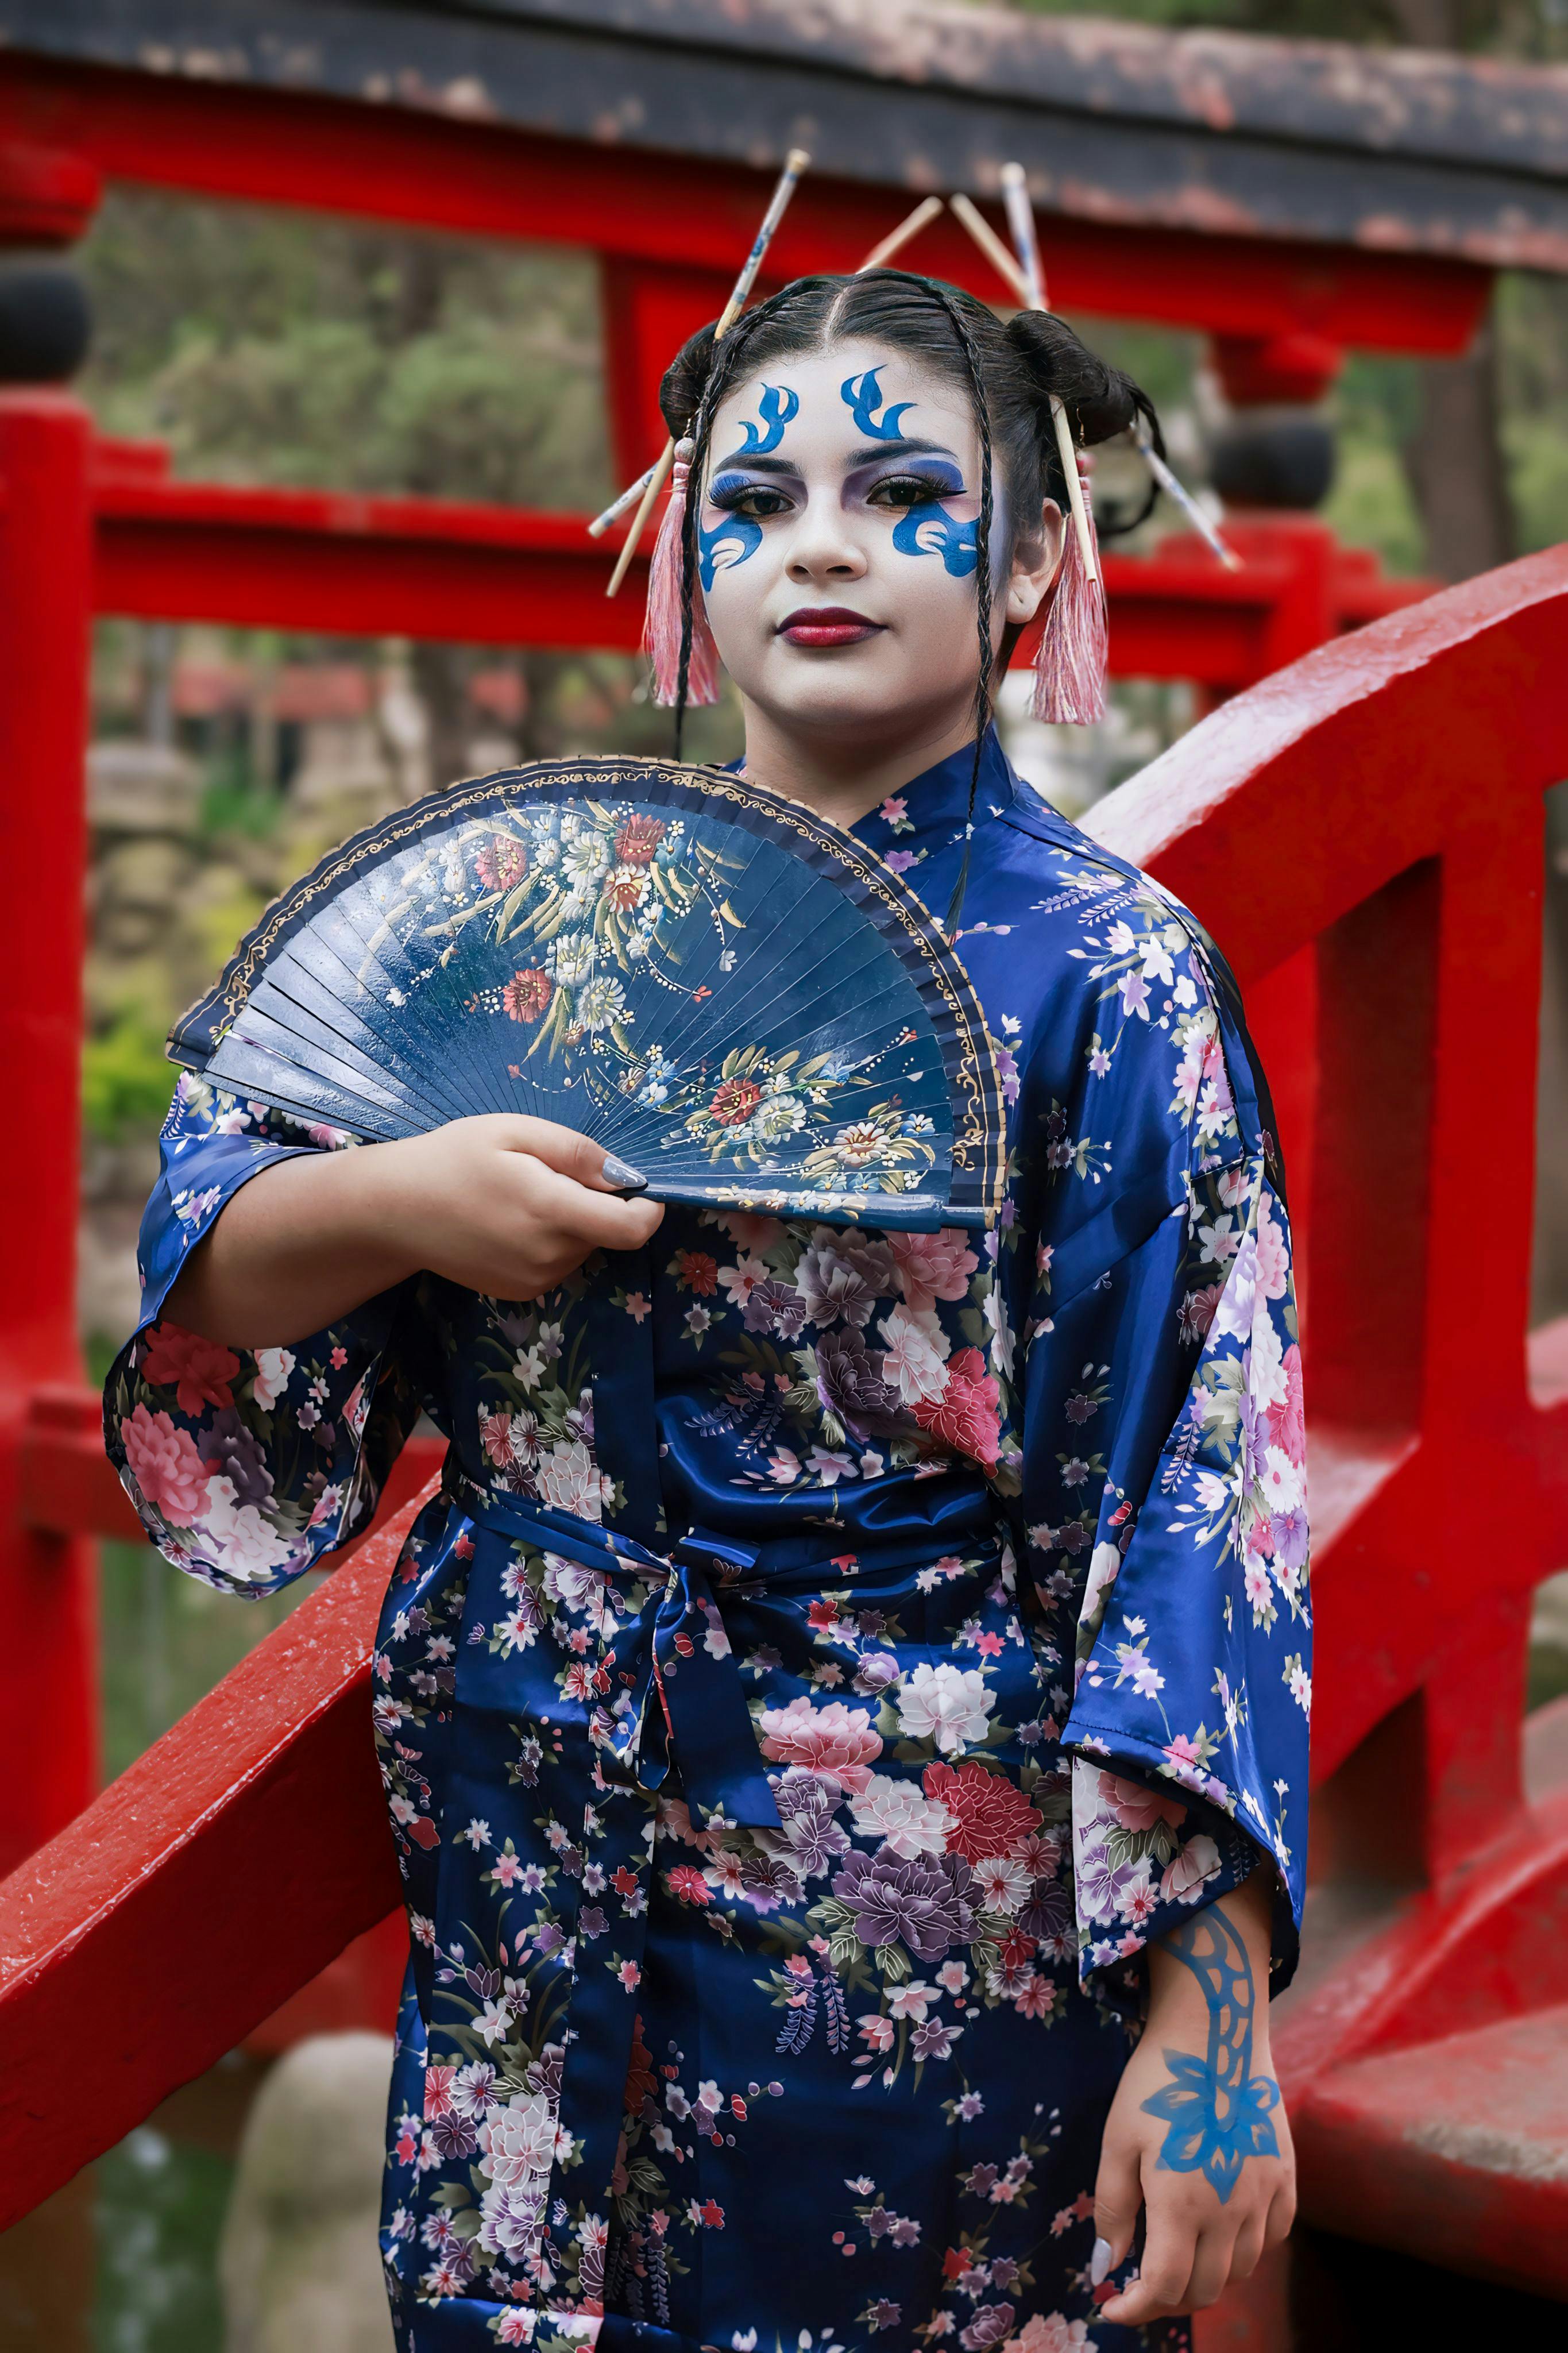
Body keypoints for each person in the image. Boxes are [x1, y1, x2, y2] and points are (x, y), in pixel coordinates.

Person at [106, 270, 1308, 2353]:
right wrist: (405, 1201)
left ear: (1034, 550)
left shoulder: (1112, 978)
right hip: (529, 1837)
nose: (818, 543)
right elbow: (213, 1267)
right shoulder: (525, 922)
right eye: (753, 499)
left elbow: (1196, 1509)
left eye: (901, 488)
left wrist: (1209, 2031)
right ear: (685, 551)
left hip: (924, 1896)